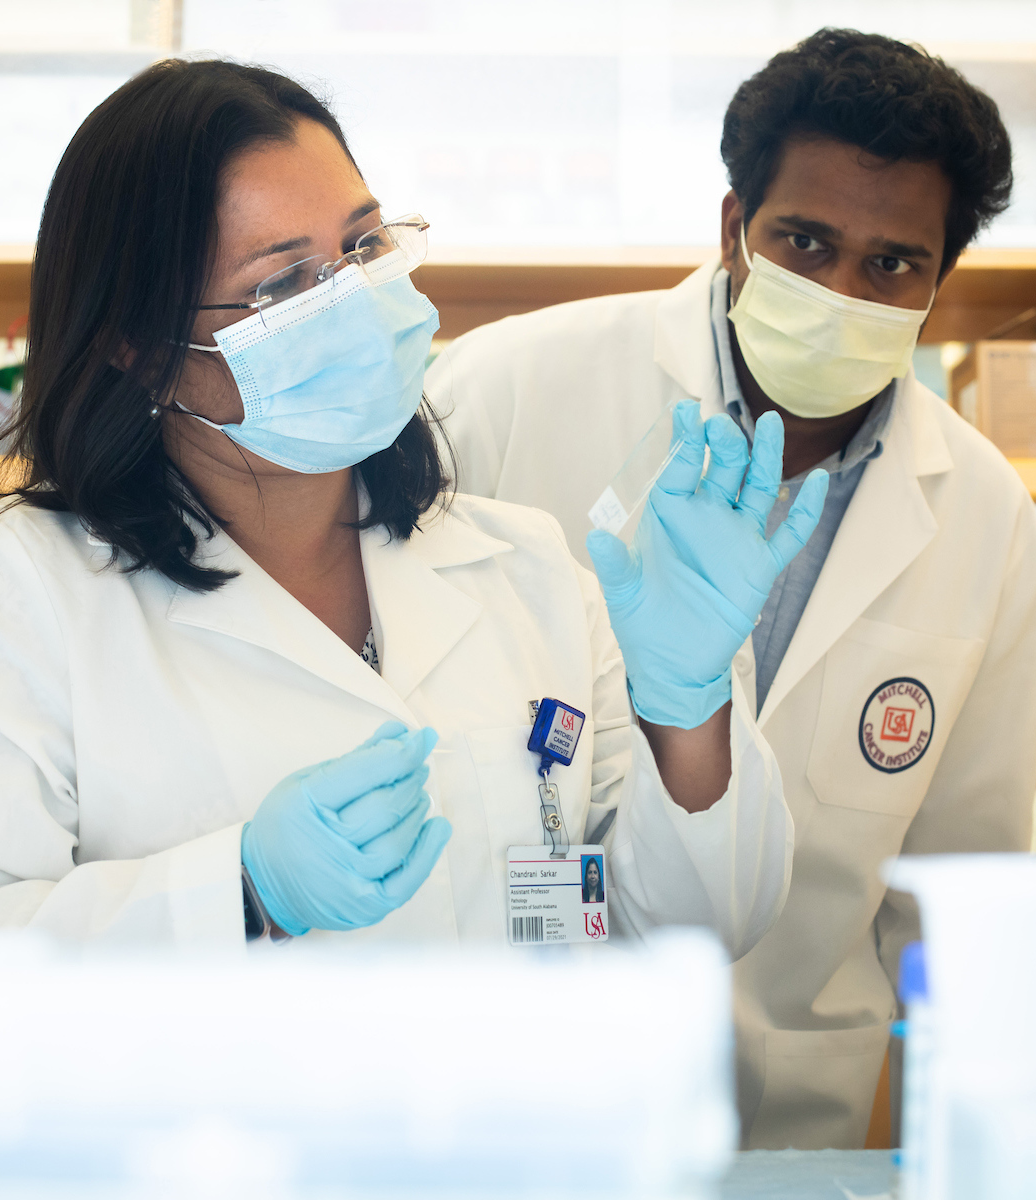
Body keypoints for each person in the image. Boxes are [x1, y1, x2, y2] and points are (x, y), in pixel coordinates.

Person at [0, 60, 825, 955]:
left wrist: (688, 709)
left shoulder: (523, 566)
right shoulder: (9, 589)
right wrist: (243, 894)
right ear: (139, 347)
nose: (355, 301)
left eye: (362, 247)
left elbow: (696, 931)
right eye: (283, 285)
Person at [428, 29, 1036, 1149]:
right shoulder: (509, 390)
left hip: (792, 1115)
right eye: (803, 242)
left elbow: (964, 880)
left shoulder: (986, 517)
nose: (841, 290)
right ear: (731, 230)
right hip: (512, 1087)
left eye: (891, 263)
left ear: (937, 284)